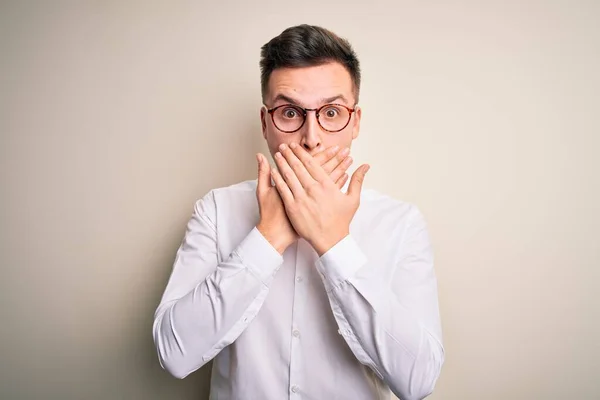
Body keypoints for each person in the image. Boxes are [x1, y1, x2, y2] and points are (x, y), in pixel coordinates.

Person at [153, 24, 444, 400]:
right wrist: (268, 236)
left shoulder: (401, 224)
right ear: (265, 123)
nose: (311, 137)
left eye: (332, 112)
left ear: (354, 122)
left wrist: (333, 243)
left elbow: (419, 382)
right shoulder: (216, 211)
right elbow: (174, 353)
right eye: (290, 112)